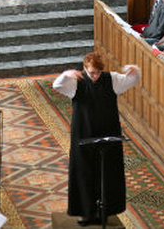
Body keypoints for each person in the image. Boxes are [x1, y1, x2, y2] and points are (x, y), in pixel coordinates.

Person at [53, 52, 140, 226]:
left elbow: (132, 80)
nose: (95, 76)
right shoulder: (76, 82)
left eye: (98, 72)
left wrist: (134, 71)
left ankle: (104, 212)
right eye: (92, 72)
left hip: (107, 132)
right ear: (85, 69)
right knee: (83, 173)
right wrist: (65, 74)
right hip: (83, 134)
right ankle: (84, 214)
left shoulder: (111, 79)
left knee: (107, 172)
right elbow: (57, 86)